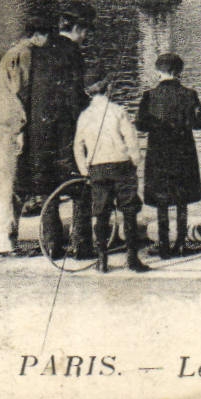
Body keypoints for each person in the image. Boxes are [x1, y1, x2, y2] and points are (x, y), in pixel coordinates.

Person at [19, 11, 95, 260]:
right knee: (79, 185)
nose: (85, 37)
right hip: (64, 132)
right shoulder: (72, 52)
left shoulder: (39, 50)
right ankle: (81, 244)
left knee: (46, 188)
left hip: (39, 132)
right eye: (85, 32)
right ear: (77, 29)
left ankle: (51, 244)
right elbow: (74, 96)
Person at [0, 16, 53, 255]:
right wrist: (21, 129)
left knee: (11, 179)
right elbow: (21, 92)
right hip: (9, 123)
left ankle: (3, 234)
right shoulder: (25, 53)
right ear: (37, 35)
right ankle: (2, 240)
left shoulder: (14, 51)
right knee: (9, 180)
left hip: (0, 119)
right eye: (47, 37)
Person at [73, 71, 149, 273]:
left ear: (89, 93)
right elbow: (131, 139)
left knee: (101, 214)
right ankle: (132, 259)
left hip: (97, 168)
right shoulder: (118, 111)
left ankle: (102, 260)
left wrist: (84, 170)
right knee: (129, 212)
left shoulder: (84, 116)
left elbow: (77, 146)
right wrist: (135, 160)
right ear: (107, 89)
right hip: (122, 166)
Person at [135, 52, 201, 259]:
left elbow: (140, 124)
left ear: (158, 71)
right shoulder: (190, 94)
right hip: (183, 152)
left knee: (161, 200)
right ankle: (182, 243)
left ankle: (164, 245)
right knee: (182, 199)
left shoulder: (149, 96)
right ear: (179, 72)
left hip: (158, 153)